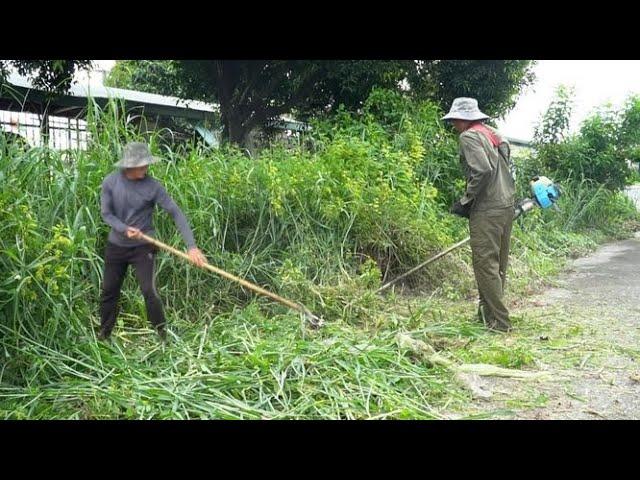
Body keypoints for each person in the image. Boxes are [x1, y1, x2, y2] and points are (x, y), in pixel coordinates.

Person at [98, 142, 207, 341]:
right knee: (109, 291)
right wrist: (124, 228)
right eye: (142, 165)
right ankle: (104, 335)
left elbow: (176, 213)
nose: (146, 168)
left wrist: (191, 247)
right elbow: (106, 214)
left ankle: (162, 335)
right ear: (129, 165)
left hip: (143, 246)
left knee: (149, 290)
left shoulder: (153, 186)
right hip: (117, 246)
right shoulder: (110, 183)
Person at [443, 98, 516, 332]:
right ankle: (486, 316)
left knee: (485, 265)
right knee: (497, 265)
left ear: (464, 119)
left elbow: (483, 169)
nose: (454, 123)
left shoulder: (468, 136)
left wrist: (467, 199)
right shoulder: (493, 133)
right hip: (506, 204)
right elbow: (503, 160)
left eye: (455, 119)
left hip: (487, 208)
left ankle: (501, 322)